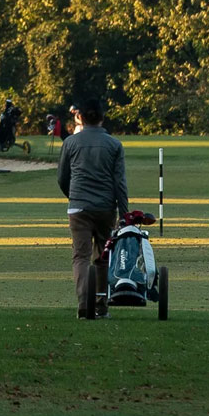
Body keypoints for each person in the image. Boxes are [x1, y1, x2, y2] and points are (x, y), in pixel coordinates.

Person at [56, 98, 127, 317]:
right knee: (102, 257)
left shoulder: (70, 143)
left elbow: (62, 177)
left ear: (80, 117)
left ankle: (83, 305)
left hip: (78, 207)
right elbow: (120, 183)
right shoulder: (114, 145)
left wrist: (73, 197)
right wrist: (124, 214)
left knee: (80, 257)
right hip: (106, 207)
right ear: (102, 118)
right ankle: (101, 304)